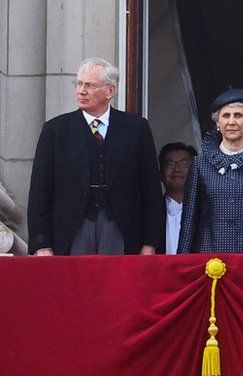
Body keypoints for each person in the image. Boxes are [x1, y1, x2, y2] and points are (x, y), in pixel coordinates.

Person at [28, 58, 162, 256]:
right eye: (79, 83)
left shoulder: (136, 128)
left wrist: (150, 242)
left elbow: (151, 188)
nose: (81, 90)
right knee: (76, 286)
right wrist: (41, 244)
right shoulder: (56, 130)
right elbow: (40, 190)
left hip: (122, 230)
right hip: (70, 231)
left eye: (89, 85)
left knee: (116, 286)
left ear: (110, 91)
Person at [180, 88, 243, 254]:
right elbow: (189, 220)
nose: (231, 121)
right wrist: (182, 264)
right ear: (217, 123)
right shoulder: (199, 164)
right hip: (208, 259)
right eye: (226, 116)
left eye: (238, 115)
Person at [160, 142, 197, 255]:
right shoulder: (149, 214)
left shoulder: (206, 211)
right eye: (170, 164)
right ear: (160, 172)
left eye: (184, 164)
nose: (177, 169)